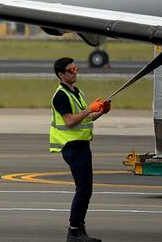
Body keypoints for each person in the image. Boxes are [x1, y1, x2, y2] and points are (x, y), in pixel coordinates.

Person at [50, 57, 111, 242]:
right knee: (83, 189)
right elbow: (69, 121)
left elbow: (85, 119)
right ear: (61, 75)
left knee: (86, 189)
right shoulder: (61, 95)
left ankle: (79, 230)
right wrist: (88, 109)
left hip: (82, 145)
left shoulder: (76, 92)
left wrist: (101, 111)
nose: (75, 71)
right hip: (72, 146)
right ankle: (74, 232)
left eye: (75, 68)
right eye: (71, 69)